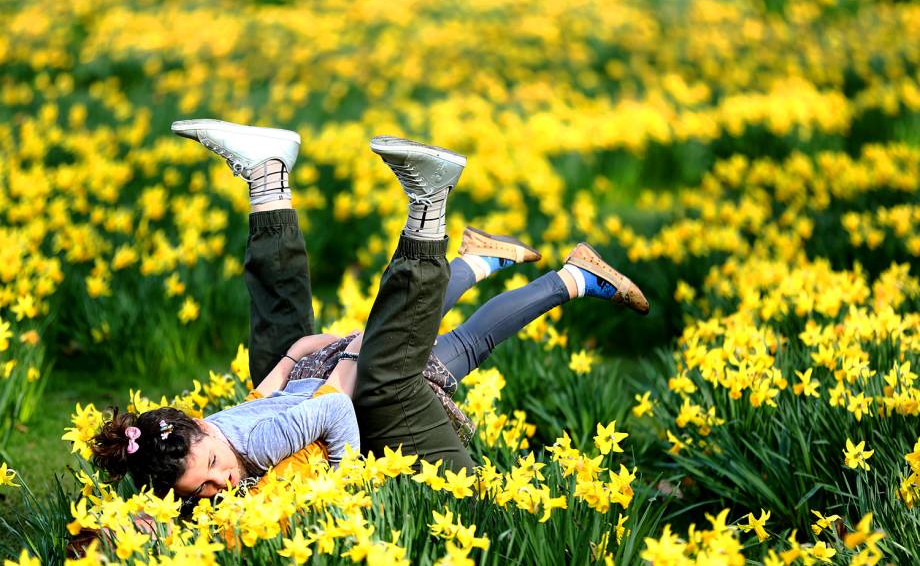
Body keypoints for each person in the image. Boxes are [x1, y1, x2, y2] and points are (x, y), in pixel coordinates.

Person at [89, 119, 649, 502]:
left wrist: (343, 481)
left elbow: (330, 411)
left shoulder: (254, 445)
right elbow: (262, 403)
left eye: (212, 470)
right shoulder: (218, 445)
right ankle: (518, 267)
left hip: (361, 393)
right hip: (335, 382)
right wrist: (296, 357)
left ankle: (465, 228)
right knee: (413, 344)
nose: (221, 484)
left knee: (446, 351)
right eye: (203, 489)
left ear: (201, 429)